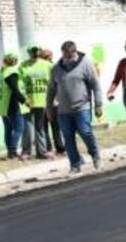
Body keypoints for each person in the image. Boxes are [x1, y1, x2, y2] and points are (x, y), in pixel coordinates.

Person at [46, 40, 103, 174]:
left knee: (85, 132)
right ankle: (75, 165)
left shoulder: (85, 64)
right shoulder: (56, 69)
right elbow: (51, 90)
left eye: (70, 55)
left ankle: (95, 154)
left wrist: (98, 105)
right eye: (65, 55)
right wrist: (48, 108)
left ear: (75, 52)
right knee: (68, 138)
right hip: (63, 111)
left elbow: (95, 85)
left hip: (82, 107)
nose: (67, 58)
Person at [21, 44, 56, 160]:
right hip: (28, 102)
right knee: (27, 128)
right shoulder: (23, 66)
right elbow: (20, 84)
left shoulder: (47, 65)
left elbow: (53, 83)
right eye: (33, 52)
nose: (35, 54)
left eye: (37, 51)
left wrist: (53, 99)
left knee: (40, 127)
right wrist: (24, 98)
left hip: (42, 100)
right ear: (29, 52)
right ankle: (26, 152)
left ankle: (42, 151)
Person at [0, 52, 26, 161]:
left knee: (8, 129)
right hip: (11, 104)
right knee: (19, 128)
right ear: (14, 61)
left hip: (2, 105)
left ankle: (10, 151)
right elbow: (15, 89)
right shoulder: (11, 72)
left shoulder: (1, 72)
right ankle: (12, 152)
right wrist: (24, 100)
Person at [40, 48, 67, 154]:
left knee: (45, 127)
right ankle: (59, 147)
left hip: (42, 102)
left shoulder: (40, 68)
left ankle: (49, 148)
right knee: (55, 126)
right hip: (52, 101)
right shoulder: (53, 67)